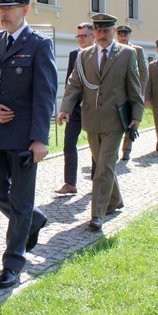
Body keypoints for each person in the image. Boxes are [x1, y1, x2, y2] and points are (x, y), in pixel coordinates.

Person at [0, 0, 58, 288]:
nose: (4, 13)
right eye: (0, 8)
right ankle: (33, 221)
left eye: (9, 8)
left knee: (21, 201)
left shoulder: (39, 44)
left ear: (25, 10)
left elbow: (45, 94)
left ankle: (13, 262)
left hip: (24, 137)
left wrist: (40, 138)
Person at [57, 13, 143, 231]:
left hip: (115, 120)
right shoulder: (83, 55)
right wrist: (65, 109)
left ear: (113, 31)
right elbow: (74, 84)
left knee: (102, 167)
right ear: (93, 32)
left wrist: (136, 115)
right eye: (98, 30)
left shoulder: (126, 54)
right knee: (103, 164)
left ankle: (98, 214)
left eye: (106, 31)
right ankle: (115, 200)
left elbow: (135, 86)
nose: (102, 35)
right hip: (92, 120)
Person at [55, 22, 94, 196]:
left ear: (93, 36)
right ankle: (70, 183)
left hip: (93, 108)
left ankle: (97, 181)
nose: (81, 39)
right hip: (75, 110)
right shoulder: (74, 55)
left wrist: (87, 99)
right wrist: (66, 108)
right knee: (69, 143)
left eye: (84, 36)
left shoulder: (98, 55)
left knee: (96, 146)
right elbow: (70, 83)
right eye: (78, 36)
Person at [114, 25, 148, 161]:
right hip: (117, 93)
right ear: (117, 35)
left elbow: (144, 73)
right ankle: (113, 151)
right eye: (121, 35)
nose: (123, 37)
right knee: (115, 123)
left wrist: (140, 92)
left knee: (131, 123)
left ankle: (126, 151)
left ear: (129, 36)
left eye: (126, 35)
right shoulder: (113, 49)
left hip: (132, 93)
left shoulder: (137, 50)